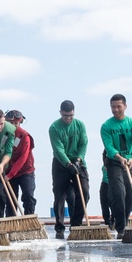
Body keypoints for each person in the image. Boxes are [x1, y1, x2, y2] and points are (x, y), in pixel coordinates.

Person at [100, 94, 132, 239]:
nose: (115, 109)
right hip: (114, 162)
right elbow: (109, 148)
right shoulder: (106, 126)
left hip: (130, 162)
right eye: (113, 107)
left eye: (118, 106)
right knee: (118, 193)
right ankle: (121, 228)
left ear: (125, 106)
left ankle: (123, 219)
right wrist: (120, 157)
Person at [49, 100, 89, 239]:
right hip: (61, 164)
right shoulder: (54, 127)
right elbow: (58, 149)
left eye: (71, 115)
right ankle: (59, 227)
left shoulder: (80, 125)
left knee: (84, 192)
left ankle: (76, 224)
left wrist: (78, 160)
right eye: (65, 115)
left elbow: (83, 144)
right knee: (60, 196)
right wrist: (68, 164)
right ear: (60, 113)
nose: (68, 118)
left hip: (78, 161)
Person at [4, 109, 36, 217]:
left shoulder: (25, 136)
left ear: (20, 122)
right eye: (10, 123)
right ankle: (10, 223)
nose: (13, 126)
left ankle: (29, 220)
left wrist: (11, 174)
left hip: (25, 171)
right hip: (9, 172)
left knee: (28, 196)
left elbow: (23, 157)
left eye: (16, 123)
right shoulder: (5, 135)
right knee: (10, 199)